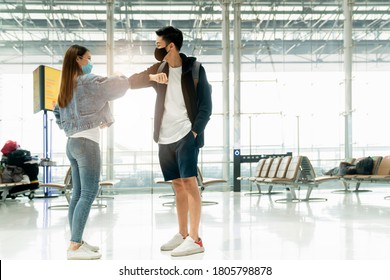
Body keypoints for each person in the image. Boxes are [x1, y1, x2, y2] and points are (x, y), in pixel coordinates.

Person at [129, 26, 212, 257]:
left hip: (186, 134)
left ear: (171, 45)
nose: (155, 49)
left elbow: (206, 106)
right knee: (177, 185)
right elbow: (131, 82)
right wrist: (152, 77)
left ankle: (195, 239)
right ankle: (183, 234)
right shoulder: (159, 68)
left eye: (158, 45)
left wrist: (195, 132)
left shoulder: (195, 69)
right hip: (164, 137)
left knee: (189, 183)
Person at [54, 44, 131, 260]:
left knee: (78, 195)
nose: (90, 62)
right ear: (78, 60)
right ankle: (75, 246)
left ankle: (76, 240)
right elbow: (116, 87)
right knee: (88, 193)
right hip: (87, 142)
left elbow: (58, 114)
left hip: (72, 143)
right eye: (88, 58)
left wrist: (74, 125)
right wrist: (118, 75)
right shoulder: (87, 81)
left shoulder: (66, 86)